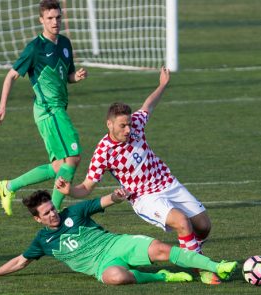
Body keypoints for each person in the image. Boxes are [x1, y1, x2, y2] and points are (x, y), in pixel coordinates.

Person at [55, 66, 222, 284]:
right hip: (145, 197)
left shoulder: (136, 125)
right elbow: (87, 187)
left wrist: (162, 84)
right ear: (109, 124)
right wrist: (70, 190)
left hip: (167, 182)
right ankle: (202, 268)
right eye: (122, 125)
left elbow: (148, 106)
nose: (127, 130)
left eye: (129, 124)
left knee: (203, 226)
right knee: (182, 222)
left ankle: (190, 252)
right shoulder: (103, 153)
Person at [0, 189, 237, 285]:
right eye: (46, 213)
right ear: (38, 219)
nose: (53, 214)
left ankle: (215, 266)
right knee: (117, 278)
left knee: (162, 249)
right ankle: (161, 277)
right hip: (100, 267)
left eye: (53, 208)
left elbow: (103, 201)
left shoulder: (74, 212)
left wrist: (117, 196)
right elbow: (20, 261)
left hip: (116, 244)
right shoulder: (42, 242)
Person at [0, 0, 87, 216]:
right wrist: (2, 106)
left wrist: (76, 77)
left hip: (58, 109)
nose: (55, 22)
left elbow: (67, 76)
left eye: (58, 17)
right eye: (50, 18)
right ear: (41, 20)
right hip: (49, 111)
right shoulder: (35, 48)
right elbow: (11, 75)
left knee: (60, 165)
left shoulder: (64, 43)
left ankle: (9, 187)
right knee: (73, 158)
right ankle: (54, 211)